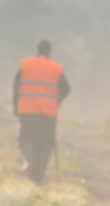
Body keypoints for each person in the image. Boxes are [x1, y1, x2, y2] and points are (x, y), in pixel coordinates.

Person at [13, 39, 71, 183]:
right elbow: (66, 88)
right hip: (48, 112)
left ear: (37, 50)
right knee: (45, 144)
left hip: (28, 109)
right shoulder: (56, 68)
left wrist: (16, 106)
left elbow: (16, 86)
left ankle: (30, 162)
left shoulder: (25, 64)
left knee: (26, 139)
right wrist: (56, 101)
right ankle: (38, 176)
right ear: (50, 52)